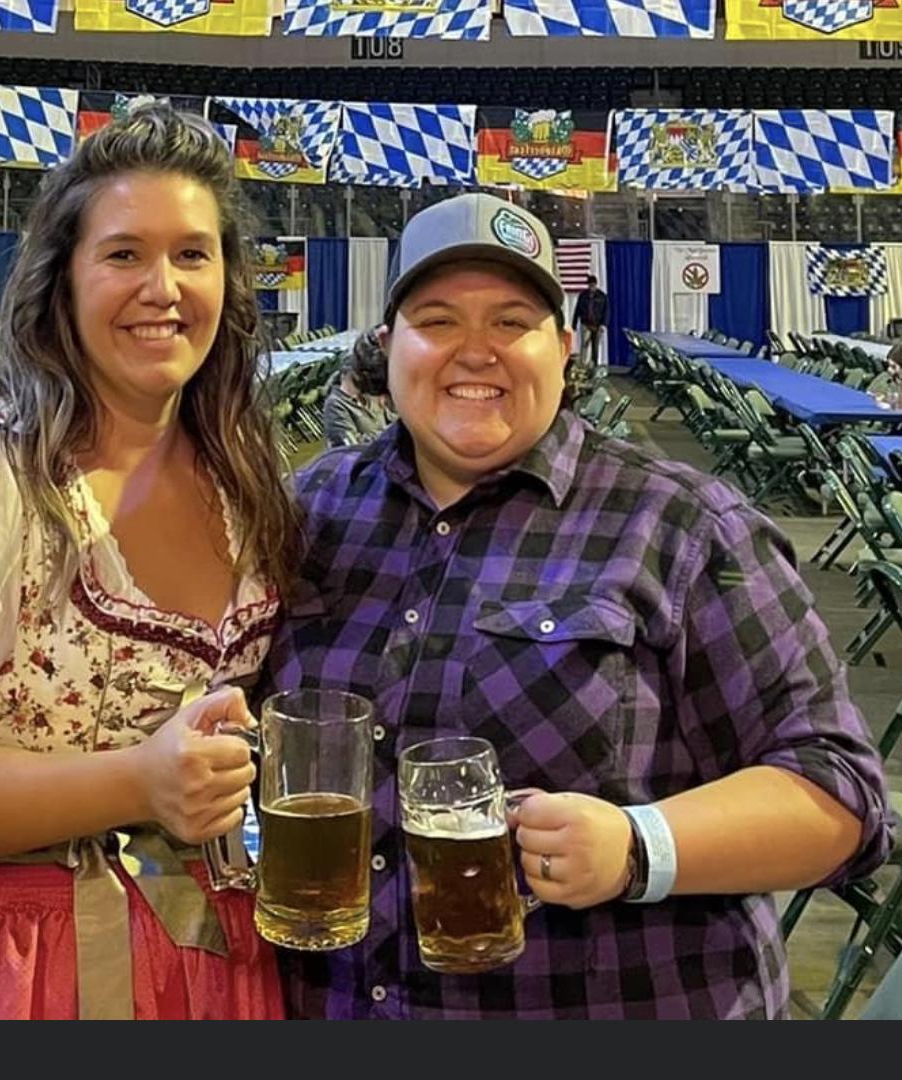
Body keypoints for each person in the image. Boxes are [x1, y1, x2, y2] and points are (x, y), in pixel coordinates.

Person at [260, 192, 892, 1020]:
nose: (475, 351)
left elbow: (842, 796)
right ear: (387, 346)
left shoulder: (683, 525)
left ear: (564, 348)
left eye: (512, 322)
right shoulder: (306, 510)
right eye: (438, 321)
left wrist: (638, 846)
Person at [0, 104, 297, 1021]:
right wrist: (137, 781)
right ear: (62, 279)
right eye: (124, 254)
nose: (163, 287)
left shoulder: (240, 465)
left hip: (207, 948)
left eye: (192, 254)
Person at [322, 328, 396, 448]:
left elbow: (391, 419)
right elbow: (351, 447)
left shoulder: (369, 397)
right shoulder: (336, 405)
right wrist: (390, 433)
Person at [571, 274, 607, 369]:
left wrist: (604, 324)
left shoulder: (602, 296)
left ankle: (594, 364)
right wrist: (574, 324)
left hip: (598, 325)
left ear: (596, 285)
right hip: (586, 324)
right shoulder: (583, 296)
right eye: (590, 285)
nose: (591, 287)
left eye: (593, 285)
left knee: (595, 346)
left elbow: (606, 311)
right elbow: (577, 310)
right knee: (584, 345)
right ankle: (583, 365)